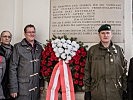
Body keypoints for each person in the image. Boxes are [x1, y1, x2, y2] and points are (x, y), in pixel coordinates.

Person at [84, 24, 127, 100]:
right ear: (99, 35)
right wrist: (87, 91)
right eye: (103, 33)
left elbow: (124, 72)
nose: (105, 35)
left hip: (116, 93)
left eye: (107, 33)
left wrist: (124, 90)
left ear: (111, 35)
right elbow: (87, 72)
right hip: (97, 93)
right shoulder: (92, 51)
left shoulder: (119, 50)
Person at [9, 24, 44, 100]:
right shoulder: (18, 47)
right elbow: (12, 68)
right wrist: (13, 88)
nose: (32, 34)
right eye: (29, 32)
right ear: (24, 34)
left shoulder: (39, 47)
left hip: (36, 86)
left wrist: (41, 84)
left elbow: (42, 67)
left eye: (33, 32)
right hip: (22, 87)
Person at [0, 30, 13, 99]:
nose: (7, 38)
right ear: (0, 38)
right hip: (2, 81)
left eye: (9, 37)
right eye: (4, 36)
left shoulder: (15, 50)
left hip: (12, 82)